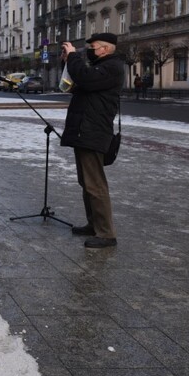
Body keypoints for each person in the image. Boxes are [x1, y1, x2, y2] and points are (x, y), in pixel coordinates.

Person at [60, 33, 123, 249]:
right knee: (86, 182)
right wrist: (68, 62)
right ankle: (93, 224)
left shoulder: (112, 67)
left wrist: (73, 58)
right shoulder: (101, 67)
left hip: (93, 132)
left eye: (93, 47)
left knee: (95, 184)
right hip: (84, 131)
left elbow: (85, 78)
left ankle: (106, 234)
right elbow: (77, 84)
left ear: (105, 49)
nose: (90, 50)